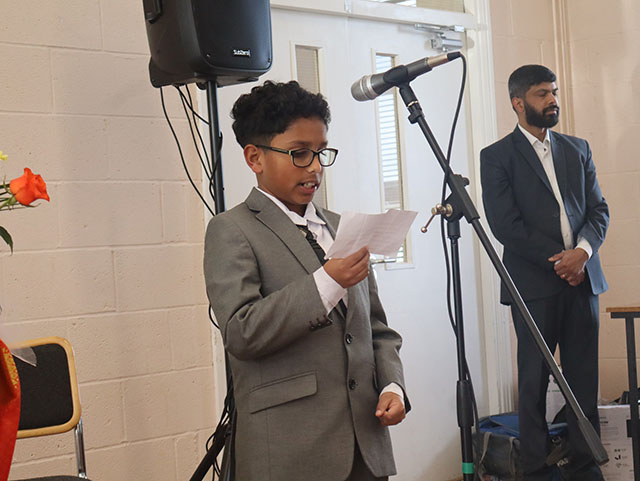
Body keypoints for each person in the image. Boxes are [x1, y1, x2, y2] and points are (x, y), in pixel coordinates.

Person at [204, 80, 409, 481]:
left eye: (321, 152)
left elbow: (376, 328)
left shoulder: (341, 226)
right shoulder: (232, 230)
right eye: (299, 153)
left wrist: (392, 385)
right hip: (289, 452)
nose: (315, 167)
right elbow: (242, 332)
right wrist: (326, 283)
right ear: (255, 157)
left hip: (366, 447)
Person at [480, 65, 609, 481]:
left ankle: (584, 464)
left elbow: (599, 211)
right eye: (542, 94)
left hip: (583, 280)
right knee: (534, 381)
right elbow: (506, 225)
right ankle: (535, 468)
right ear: (518, 103)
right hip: (534, 286)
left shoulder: (577, 148)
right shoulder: (497, 157)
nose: (552, 100)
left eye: (554, 92)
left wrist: (582, 254)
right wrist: (561, 260)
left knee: (583, 379)